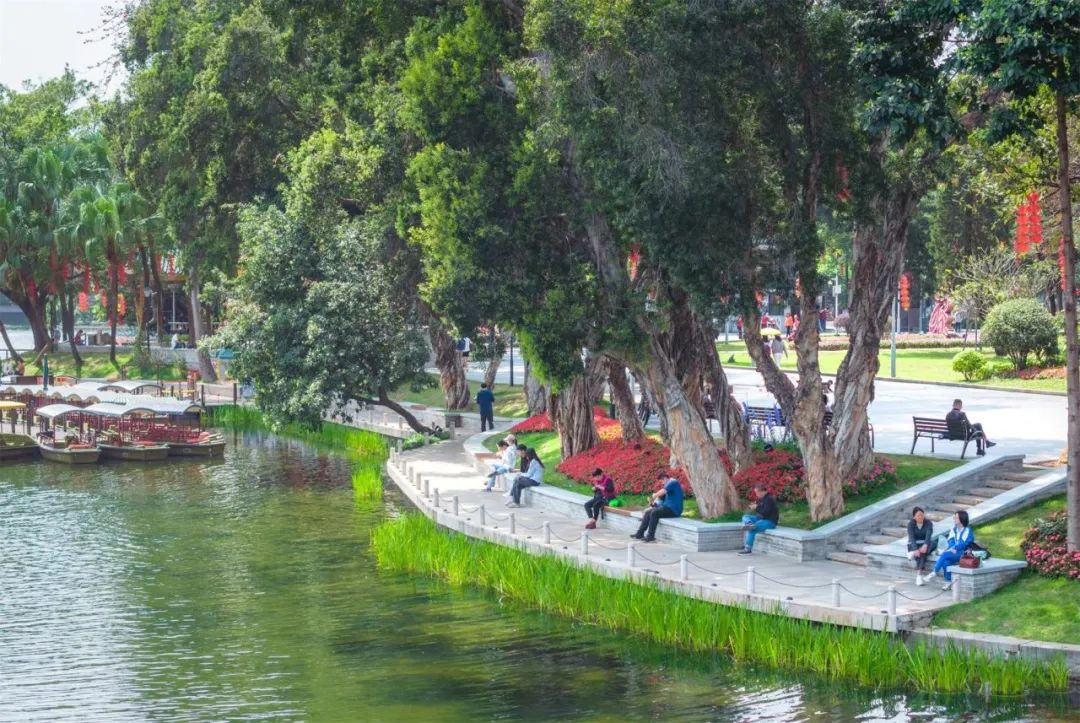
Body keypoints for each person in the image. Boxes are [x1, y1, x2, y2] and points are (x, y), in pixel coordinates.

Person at [630, 472, 684, 542]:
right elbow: (661, 501)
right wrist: (652, 506)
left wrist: (654, 495)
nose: (662, 483)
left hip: (674, 510)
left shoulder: (673, 482)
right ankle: (639, 534)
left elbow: (662, 491)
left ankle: (650, 537)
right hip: (667, 508)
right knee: (648, 512)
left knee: (654, 513)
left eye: (662, 481)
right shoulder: (669, 488)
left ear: (665, 478)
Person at [931, 510, 974, 590]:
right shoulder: (954, 529)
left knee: (944, 554)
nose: (954, 519)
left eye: (956, 518)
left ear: (962, 519)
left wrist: (955, 548)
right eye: (954, 517)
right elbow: (950, 540)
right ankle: (949, 582)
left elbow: (963, 543)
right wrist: (952, 548)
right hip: (954, 552)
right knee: (945, 562)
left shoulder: (967, 530)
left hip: (964, 553)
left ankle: (935, 571)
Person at [739, 482, 779, 554]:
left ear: (762, 491)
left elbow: (765, 512)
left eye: (757, 492)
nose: (756, 494)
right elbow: (760, 510)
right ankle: (749, 523)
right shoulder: (762, 499)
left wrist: (756, 507)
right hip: (761, 518)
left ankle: (748, 549)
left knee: (752, 529)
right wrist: (754, 506)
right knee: (745, 516)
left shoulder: (769, 499)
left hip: (769, 521)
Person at [908, 506, 935, 585]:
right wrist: (915, 549)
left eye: (922, 515)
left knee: (933, 544)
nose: (920, 517)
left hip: (925, 544)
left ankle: (913, 554)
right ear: (914, 516)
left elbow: (928, 535)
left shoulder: (928, 523)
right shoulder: (911, 524)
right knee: (922, 554)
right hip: (914, 545)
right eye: (918, 515)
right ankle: (919, 575)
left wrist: (925, 545)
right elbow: (911, 538)